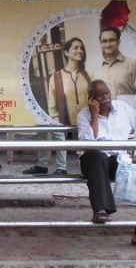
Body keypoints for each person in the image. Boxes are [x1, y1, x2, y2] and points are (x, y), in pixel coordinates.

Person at [75, 80, 136, 252]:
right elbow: (88, 143)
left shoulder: (123, 108)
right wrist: (94, 116)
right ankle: (101, 210)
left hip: (120, 160)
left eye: (106, 93)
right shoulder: (84, 115)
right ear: (91, 99)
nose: (104, 98)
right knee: (98, 155)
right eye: (99, 96)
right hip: (93, 161)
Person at [25, 37, 90, 176]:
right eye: (76, 48)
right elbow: (52, 104)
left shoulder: (87, 75)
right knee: (44, 127)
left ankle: (87, 166)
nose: (80, 51)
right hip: (63, 117)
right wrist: (55, 120)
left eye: (81, 48)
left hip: (86, 119)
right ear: (66, 52)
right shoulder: (56, 77)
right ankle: (53, 166)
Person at [90, 26, 136, 98]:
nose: (108, 45)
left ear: (118, 42)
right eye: (104, 41)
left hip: (126, 108)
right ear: (100, 44)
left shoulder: (133, 64)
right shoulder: (95, 71)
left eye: (112, 40)